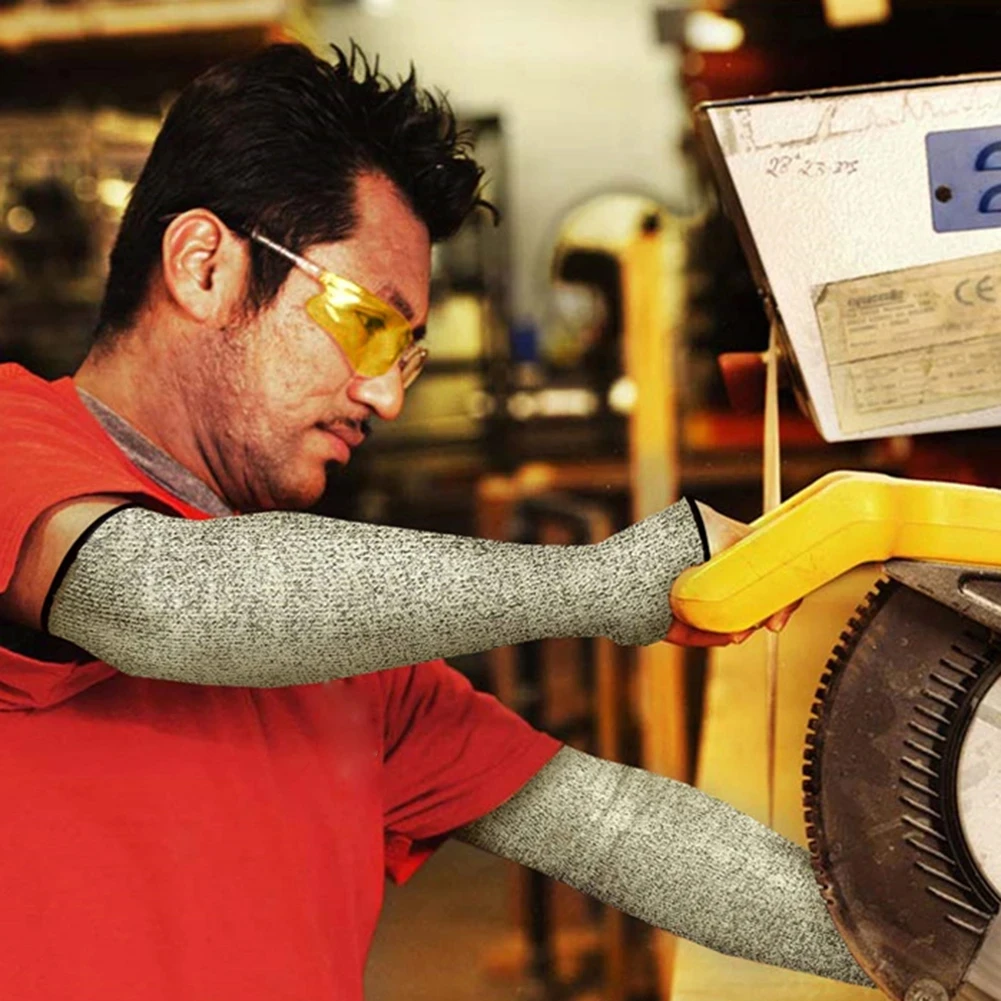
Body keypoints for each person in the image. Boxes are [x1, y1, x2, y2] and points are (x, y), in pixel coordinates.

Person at [0, 42, 870, 1000]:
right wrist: (601, 582)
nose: (386, 396)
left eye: (406, 355)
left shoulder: (347, 649)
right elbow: (159, 597)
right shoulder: (16, 440)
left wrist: (939, 940)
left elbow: (614, 829)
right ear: (203, 265)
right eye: (368, 323)